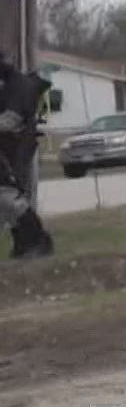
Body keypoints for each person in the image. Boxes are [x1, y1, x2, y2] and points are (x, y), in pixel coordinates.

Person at [0, 53, 55, 260]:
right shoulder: (7, 84)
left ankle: (37, 242)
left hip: (17, 150)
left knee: (11, 198)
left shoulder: (19, 86)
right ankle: (23, 245)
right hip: (6, 150)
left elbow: (11, 121)